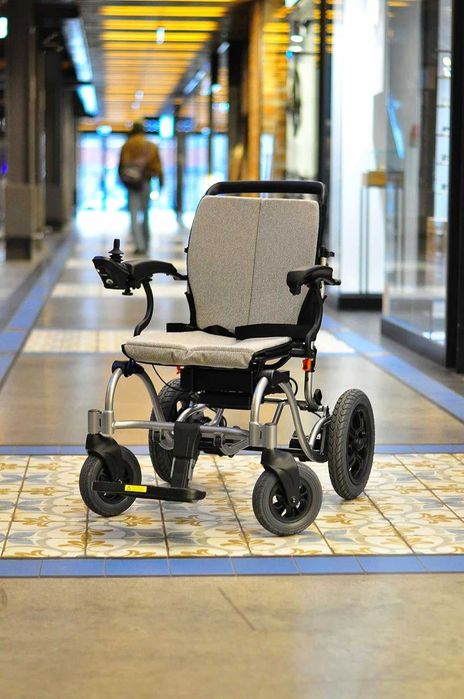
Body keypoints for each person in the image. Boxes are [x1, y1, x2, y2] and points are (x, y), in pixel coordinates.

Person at [118, 122, 164, 255]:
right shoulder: (151, 146)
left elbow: (121, 166)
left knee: (133, 214)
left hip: (132, 184)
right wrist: (161, 182)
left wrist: (124, 181)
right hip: (146, 181)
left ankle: (139, 245)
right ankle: (147, 241)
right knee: (146, 213)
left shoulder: (127, 145)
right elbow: (158, 167)